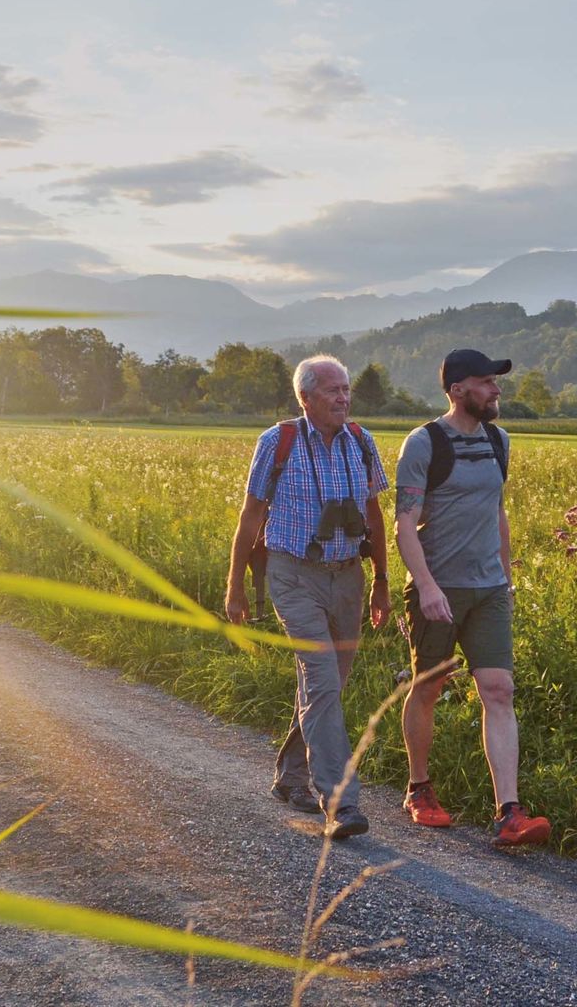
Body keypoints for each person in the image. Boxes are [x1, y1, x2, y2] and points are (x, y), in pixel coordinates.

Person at [225, 356, 390, 840]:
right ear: (306, 398)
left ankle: (292, 775)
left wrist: (381, 580)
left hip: (348, 577)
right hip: (293, 575)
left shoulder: (361, 442)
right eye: (333, 391)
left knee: (330, 686)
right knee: (320, 680)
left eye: (346, 390)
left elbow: (375, 516)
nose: (343, 398)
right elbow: (251, 516)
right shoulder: (278, 442)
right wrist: (235, 586)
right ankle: (341, 802)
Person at [393, 348, 551, 847]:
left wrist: (505, 576)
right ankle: (419, 789)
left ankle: (510, 812)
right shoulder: (424, 443)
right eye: (486, 382)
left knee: (499, 691)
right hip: (437, 589)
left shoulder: (498, 441)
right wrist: (427, 587)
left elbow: (496, 511)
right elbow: (403, 525)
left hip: (488, 592)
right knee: (429, 687)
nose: (496, 390)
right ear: (458, 390)